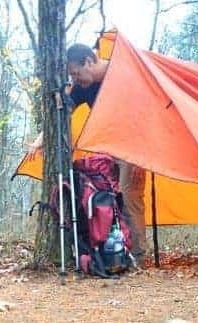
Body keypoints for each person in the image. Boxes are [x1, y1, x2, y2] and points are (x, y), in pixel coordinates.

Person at [27, 43, 146, 258]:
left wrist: (142, 156)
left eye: (75, 73)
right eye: (71, 75)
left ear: (89, 62)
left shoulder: (120, 71)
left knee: (129, 198)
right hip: (108, 148)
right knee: (108, 198)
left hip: (133, 146)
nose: (74, 79)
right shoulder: (82, 86)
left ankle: (138, 256)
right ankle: (117, 253)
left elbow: (144, 111)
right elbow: (62, 115)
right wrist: (39, 141)